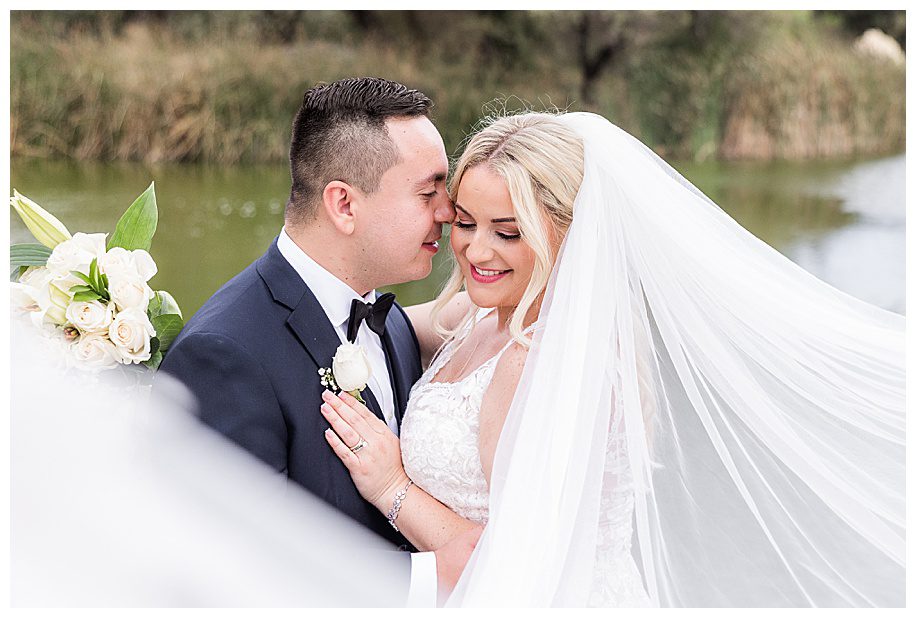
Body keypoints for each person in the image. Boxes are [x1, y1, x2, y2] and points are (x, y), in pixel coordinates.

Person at [319, 111, 905, 607]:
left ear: (570, 231)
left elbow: (513, 565)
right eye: (466, 223)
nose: (477, 249)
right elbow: (363, 314)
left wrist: (393, 484)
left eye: (509, 231)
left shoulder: (534, 361)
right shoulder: (483, 315)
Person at [159, 77, 480, 606]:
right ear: (344, 205)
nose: (448, 212)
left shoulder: (388, 320)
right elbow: (229, 573)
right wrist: (432, 579)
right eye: (428, 193)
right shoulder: (224, 354)